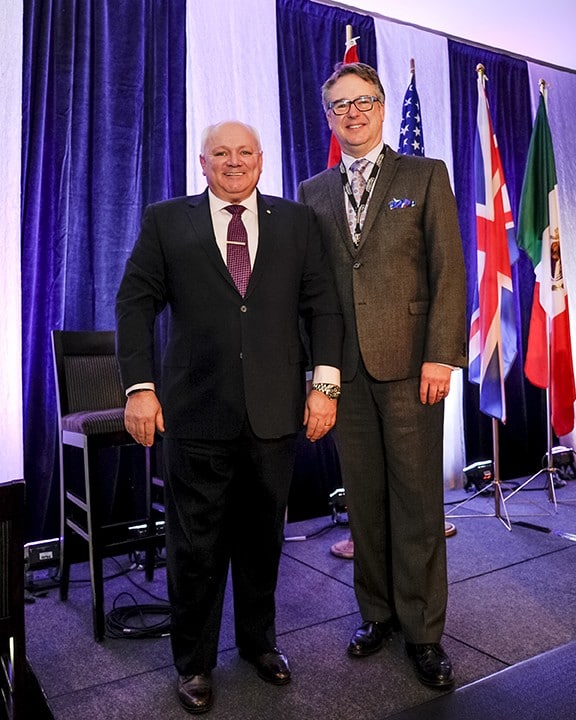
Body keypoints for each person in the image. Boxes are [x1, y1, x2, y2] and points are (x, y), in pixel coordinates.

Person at [116, 120, 343, 714]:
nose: (234, 161)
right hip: (195, 413)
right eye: (221, 153)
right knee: (195, 548)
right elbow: (134, 303)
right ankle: (194, 663)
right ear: (203, 162)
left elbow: (323, 307)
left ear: (261, 161)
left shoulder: (296, 222)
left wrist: (325, 386)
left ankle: (258, 644)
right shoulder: (167, 220)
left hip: (275, 413)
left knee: (263, 540)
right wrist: (139, 388)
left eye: (244, 153)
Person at [298, 63, 467, 689]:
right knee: (364, 502)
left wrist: (440, 356)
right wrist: (319, 374)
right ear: (329, 116)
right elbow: (313, 290)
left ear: (382, 106)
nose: (353, 112)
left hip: (411, 367)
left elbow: (449, 270)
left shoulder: (424, 176)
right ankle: (378, 614)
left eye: (363, 100)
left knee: (417, 502)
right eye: (340, 104)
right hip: (344, 372)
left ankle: (423, 631)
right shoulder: (312, 191)